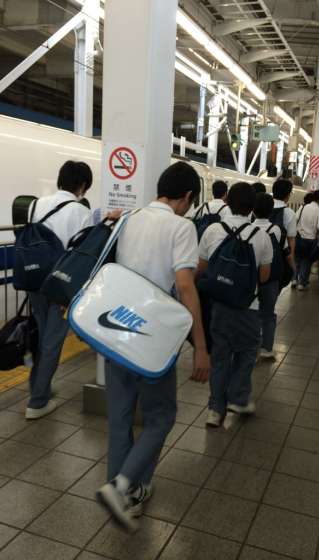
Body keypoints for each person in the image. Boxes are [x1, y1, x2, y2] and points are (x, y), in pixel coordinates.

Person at [96, 162, 211, 531]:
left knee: (120, 417)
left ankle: (128, 492)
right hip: (152, 338)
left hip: (115, 329)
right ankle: (122, 487)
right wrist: (201, 346)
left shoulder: (129, 218)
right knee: (161, 416)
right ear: (187, 196)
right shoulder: (181, 227)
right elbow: (186, 286)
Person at [197, 183, 272, 428]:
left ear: (227, 202)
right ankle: (238, 398)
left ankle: (214, 410)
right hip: (248, 307)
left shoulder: (213, 230)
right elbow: (263, 277)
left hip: (219, 306)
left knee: (220, 357)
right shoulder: (261, 236)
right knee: (247, 352)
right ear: (252, 207)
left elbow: (202, 269)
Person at [25, 161, 94, 420]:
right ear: (82, 185)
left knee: (41, 336)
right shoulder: (81, 212)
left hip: (33, 279)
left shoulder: (36, 205)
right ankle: (37, 402)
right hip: (60, 285)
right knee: (52, 341)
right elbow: (83, 253)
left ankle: (39, 386)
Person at [254, 193, 285, 358]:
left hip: (252, 277)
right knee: (268, 313)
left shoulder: (249, 228)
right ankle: (266, 348)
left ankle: (253, 345)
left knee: (252, 312)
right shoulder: (276, 230)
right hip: (271, 278)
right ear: (271, 210)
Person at [294, 189, 319, 290]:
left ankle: (294, 279)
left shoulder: (304, 207)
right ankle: (302, 283)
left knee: (297, 259)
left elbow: (296, 218)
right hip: (311, 239)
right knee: (306, 261)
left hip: (300, 237)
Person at [271, 178, 297, 275]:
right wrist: (291, 262)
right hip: (279, 256)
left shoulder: (263, 207)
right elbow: (291, 239)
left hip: (259, 253)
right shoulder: (289, 213)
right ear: (288, 195)